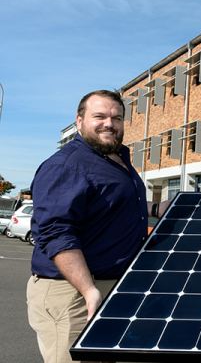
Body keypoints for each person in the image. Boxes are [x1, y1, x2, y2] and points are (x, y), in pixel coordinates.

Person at [27, 90, 167, 363]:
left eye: (116, 117)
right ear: (79, 121)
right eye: (99, 116)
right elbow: (57, 232)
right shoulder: (67, 165)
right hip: (72, 292)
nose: (109, 124)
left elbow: (110, 201)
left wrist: (154, 209)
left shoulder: (115, 159)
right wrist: (88, 290)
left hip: (109, 287)